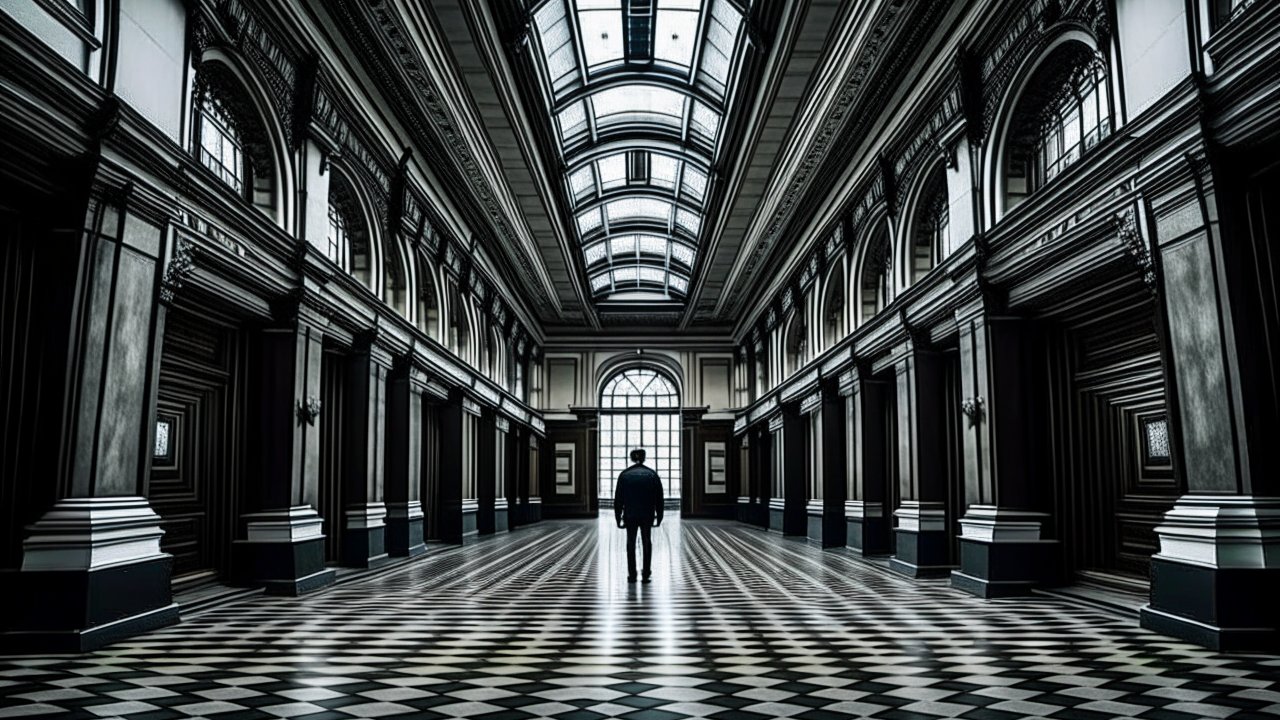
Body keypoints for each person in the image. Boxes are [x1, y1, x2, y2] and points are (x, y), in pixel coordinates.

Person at [614, 448, 664, 583]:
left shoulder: (624, 475)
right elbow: (659, 498)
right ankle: (646, 573)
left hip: (630, 514)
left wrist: (618, 517)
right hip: (647, 514)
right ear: (644, 458)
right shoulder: (652, 474)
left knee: (630, 543)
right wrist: (659, 517)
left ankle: (632, 574)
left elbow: (618, 499)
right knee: (647, 542)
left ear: (631, 458)